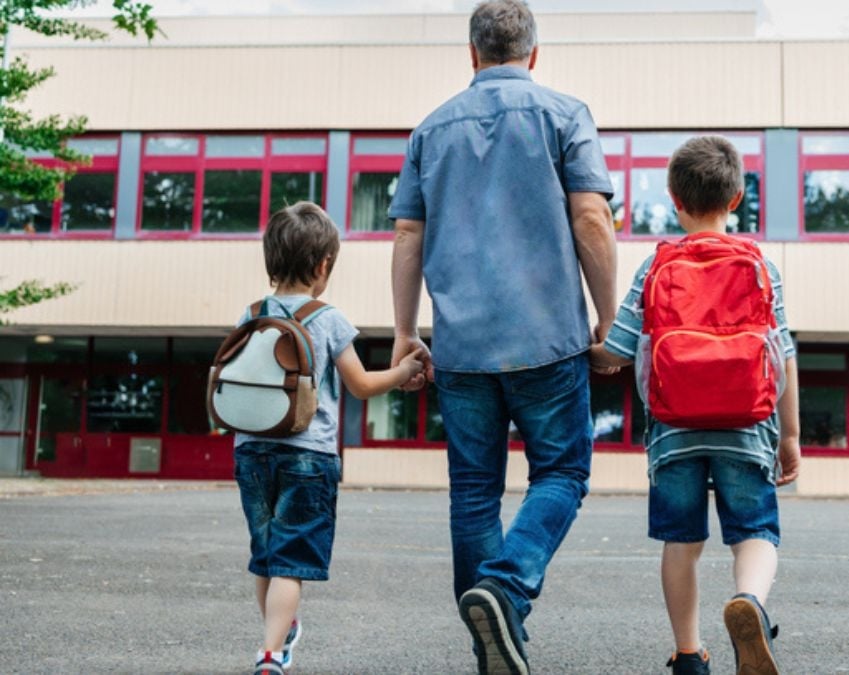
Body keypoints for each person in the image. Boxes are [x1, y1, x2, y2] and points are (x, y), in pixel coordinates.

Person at [387, 1, 618, 673]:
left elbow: (407, 235)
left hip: (460, 347)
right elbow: (592, 219)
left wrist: (405, 332)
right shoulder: (565, 114)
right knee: (564, 471)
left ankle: (492, 642)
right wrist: (608, 319)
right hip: (548, 337)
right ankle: (507, 587)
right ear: (534, 55)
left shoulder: (430, 130)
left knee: (473, 492)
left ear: (472, 54)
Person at [589, 136, 801, 675]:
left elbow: (616, 350)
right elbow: (783, 356)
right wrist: (791, 437)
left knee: (681, 542)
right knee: (755, 531)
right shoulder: (760, 264)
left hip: (673, 430)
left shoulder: (656, 264)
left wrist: (590, 350)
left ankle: (689, 654)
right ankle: (749, 601)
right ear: (736, 199)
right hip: (748, 424)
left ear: (673, 199)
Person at [234, 202, 427, 675]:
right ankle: (269, 654)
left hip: (250, 449)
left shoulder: (252, 312)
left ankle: (274, 636)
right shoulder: (328, 318)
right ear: (324, 265)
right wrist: (402, 370)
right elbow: (361, 384)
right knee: (291, 559)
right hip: (307, 456)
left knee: (266, 553)